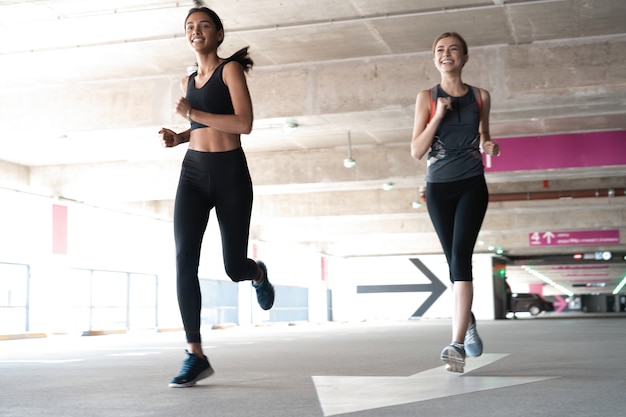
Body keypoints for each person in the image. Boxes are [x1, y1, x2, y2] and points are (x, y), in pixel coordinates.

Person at [159, 6, 275, 388]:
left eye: (204, 25)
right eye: (190, 26)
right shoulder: (186, 81)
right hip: (192, 174)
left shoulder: (230, 70)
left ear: (219, 34)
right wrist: (181, 136)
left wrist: (193, 113)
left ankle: (257, 273)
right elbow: (202, 127)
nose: (196, 31)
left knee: (232, 266)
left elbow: (244, 124)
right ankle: (195, 353)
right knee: (182, 261)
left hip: (230, 176)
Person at [410, 32, 499, 373]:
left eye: (453, 50)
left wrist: (491, 146)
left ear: (464, 58)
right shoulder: (427, 97)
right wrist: (438, 116)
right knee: (453, 265)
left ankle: (456, 344)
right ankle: (469, 322)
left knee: (461, 259)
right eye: (440, 50)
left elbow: (485, 137)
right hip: (438, 188)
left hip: (472, 185)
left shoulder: (481, 96)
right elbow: (417, 151)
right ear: (435, 59)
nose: (446, 54)